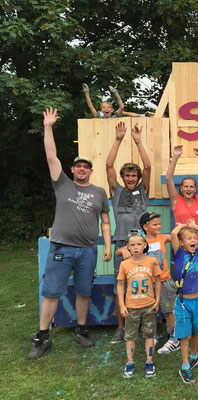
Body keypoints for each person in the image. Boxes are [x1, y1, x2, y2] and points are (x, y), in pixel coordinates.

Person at [28, 108, 112, 360]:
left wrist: (106, 245)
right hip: (61, 249)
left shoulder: (99, 192)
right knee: (52, 291)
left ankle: (82, 330)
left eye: (86, 167)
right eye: (78, 166)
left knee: (84, 291)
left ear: (91, 171)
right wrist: (48, 126)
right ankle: (43, 337)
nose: (82, 170)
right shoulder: (62, 183)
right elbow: (51, 156)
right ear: (73, 170)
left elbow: (105, 221)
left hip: (88, 250)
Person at [106, 121, 151, 344]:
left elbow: (149, 167)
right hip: (122, 244)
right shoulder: (116, 191)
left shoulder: (144, 191)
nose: (131, 178)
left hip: (142, 244)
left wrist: (138, 141)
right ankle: (121, 328)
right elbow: (108, 166)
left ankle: (144, 325)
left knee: (143, 284)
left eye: (134, 175)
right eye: (128, 176)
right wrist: (118, 139)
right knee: (121, 286)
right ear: (123, 178)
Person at [170, 219, 198, 384]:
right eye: (189, 238)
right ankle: (185, 366)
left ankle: (194, 356)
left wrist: (194, 227)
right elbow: (173, 234)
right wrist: (181, 227)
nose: (194, 240)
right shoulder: (179, 254)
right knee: (185, 336)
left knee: (195, 331)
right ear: (181, 243)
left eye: (194, 238)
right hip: (183, 303)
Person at [117, 229, 161, 378]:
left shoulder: (152, 261)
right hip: (131, 307)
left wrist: (158, 300)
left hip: (148, 305)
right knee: (130, 336)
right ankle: (130, 362)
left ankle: (149, 361)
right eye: (132, 245)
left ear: (145, 245)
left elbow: (158, 281)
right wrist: (122, 305)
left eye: (139, 244)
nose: (136, 247)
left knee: (149, 334)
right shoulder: (124, 264)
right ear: (127, 247)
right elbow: (120, 284)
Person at [139, 212, 179, 354]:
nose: (159, 226)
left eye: (159, 224)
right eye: (155, 224)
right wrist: (124, 251)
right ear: (145, 226)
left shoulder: (162, 238)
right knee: (150, 312)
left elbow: (174, 236)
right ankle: (153, 336)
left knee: (168, 310)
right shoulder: (141, 242)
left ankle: (174, 337)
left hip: (165, 281)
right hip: (148, 283)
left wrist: (180, 227)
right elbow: (126, 249)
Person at [165, 145, 198, 243]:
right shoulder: (176, 200)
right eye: (186, 186)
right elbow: (168, 178)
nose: (188, 189)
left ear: (195, 189)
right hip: (181, 246)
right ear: (181, 188)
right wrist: (175, 156)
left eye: (191, 187)